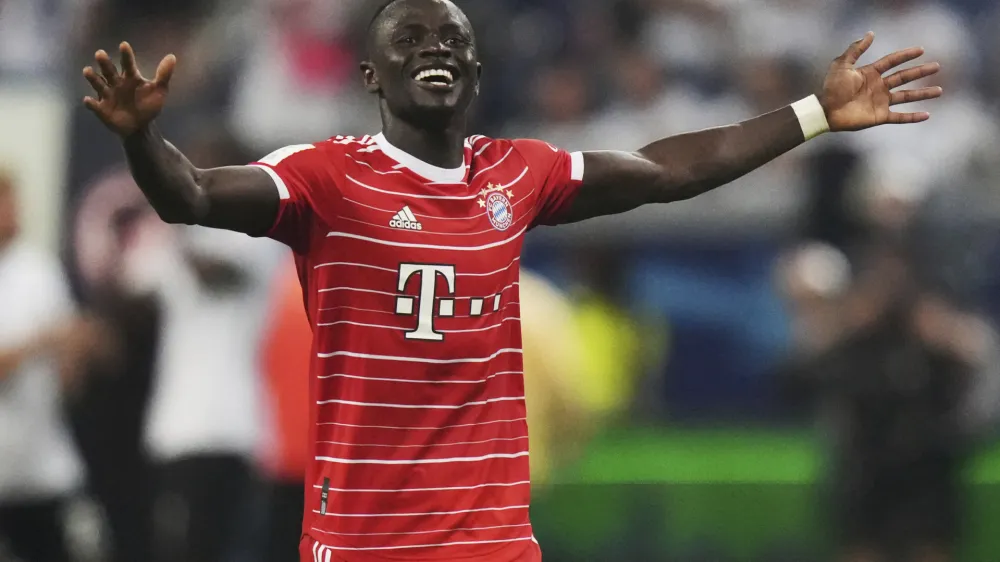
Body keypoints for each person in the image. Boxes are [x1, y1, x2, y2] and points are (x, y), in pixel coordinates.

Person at [80, 0, 942, 559]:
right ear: (372, 76)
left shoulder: (515, 174)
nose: (437, 49)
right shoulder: (326, 176)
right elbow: (190, 193)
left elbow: (665, 167)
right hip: (364, 534)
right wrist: (137, 141)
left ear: (478, 73)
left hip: (492, 538)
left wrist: (814, 113)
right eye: (411, 39)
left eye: (454, 38)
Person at [0, 171, 102, 562]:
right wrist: (41, 343)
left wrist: (76, 352)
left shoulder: (37, 270)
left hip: (38, 468)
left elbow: (68, 370)